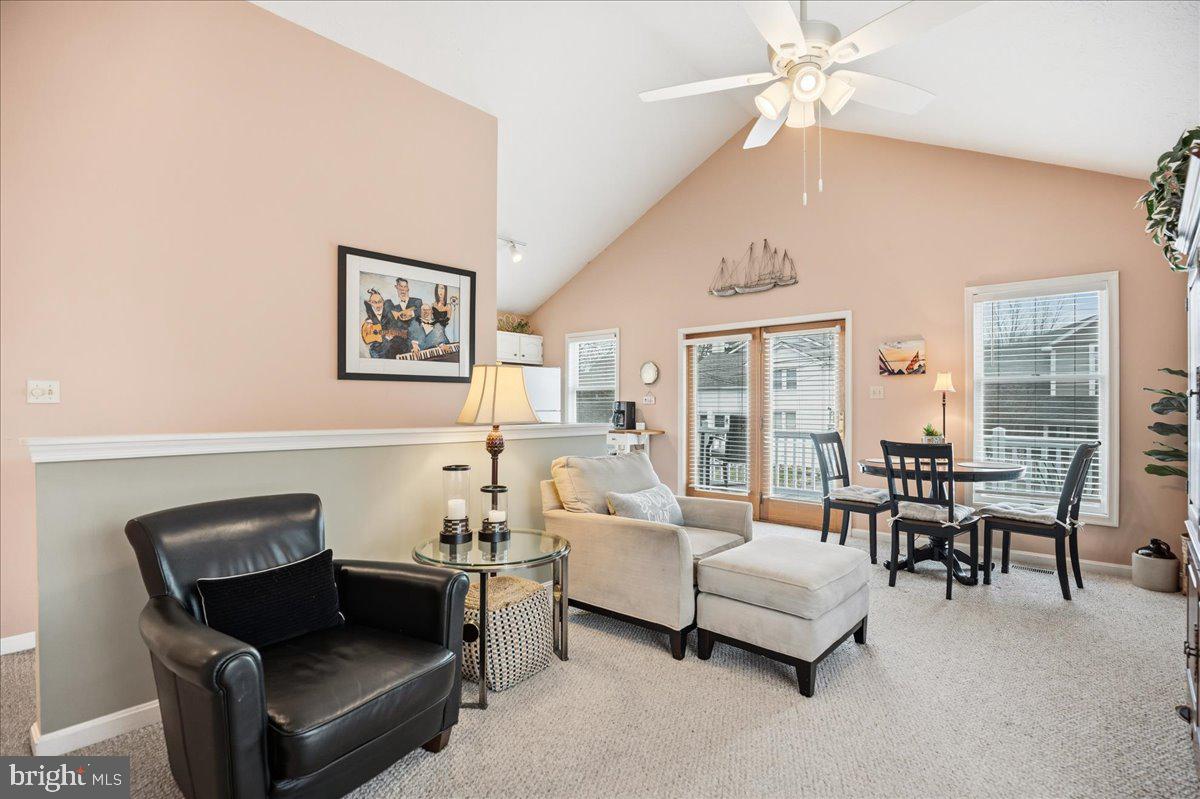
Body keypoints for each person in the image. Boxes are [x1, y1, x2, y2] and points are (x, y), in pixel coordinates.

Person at [363, 289, 410, 359]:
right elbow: (367, 339)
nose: (378, 305)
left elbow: (402, 328)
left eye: (379, 302)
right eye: (374, 302)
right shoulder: (369, 321)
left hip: (396, 348)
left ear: (383, 302)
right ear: (370, 303)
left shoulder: (390, 312)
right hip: (380, 352)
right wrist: (385, 338)